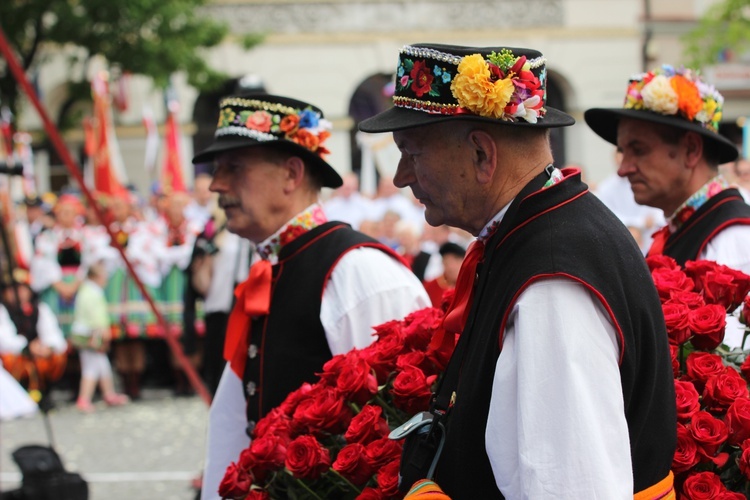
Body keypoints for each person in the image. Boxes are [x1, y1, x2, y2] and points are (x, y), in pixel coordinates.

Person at [360, 43, 676, 498]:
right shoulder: (539, 234)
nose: (400, 176)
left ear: (482, 156)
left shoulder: (551, 282)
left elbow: (571, 489)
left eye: (411, 153)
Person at [193, 93, 430, 499]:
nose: (217, 184)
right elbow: (233, 419)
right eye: (218, 170)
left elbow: (399, 436)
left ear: (290, 174)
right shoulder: (273, 267)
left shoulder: (357, 273)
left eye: (234, 168)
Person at [585, 65, 750, 348]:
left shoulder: (731, 236)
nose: (623, 169)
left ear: (691, 150)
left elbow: (733, 362)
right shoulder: (689, 225)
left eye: (639, 149)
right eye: (623, 152)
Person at [70, 261, 128, 412]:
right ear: (96, 277)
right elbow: (96, 315)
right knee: (91, 367)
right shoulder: (91, 292)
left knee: (102, 365)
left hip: (88, 332)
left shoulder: (87, 290)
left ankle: (109, 394)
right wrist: (103, 330)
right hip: (90, 334)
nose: (106, 280)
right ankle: (84, 399)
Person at [422, 241, 465, 308]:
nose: (452, 267)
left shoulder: (470, 285)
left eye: (456, 261)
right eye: (447, 262)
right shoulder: (430, 286)